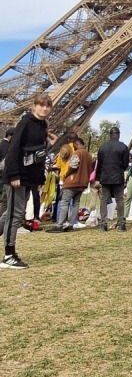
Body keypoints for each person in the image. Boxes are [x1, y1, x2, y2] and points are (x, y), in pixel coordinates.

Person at [0, 94, 54, 268]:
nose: (44, 108)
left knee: (11, 213)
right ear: (34, 106)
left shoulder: (42, 125)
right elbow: (13, 149)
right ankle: (9, 255)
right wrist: (14, 175)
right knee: (15, 214)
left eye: (47, 106)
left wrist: (40, 178)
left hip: (29, 177)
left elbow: (40, 154)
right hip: (17, 175)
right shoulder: (25, 123)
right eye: (41, 105)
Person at [51, 136, 93, 231]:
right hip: (83, 183)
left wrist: (67, 174)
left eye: (74, 146)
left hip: (72, 182)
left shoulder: (78, 153)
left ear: (77, 144)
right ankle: (71, 224)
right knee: (76, 204)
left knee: (64, 202)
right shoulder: (89, 155)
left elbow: (73, 165)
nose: (73, 148)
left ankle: (59, 225)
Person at [96, 126, 130, 231]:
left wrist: (99, 176)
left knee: (104, 200)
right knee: (119, 200)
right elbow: (125, 164)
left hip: (105, 177)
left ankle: (103, 224)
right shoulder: (123, 147)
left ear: (110, 135)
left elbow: (99, 164)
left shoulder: (102, 147)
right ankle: (121, 224)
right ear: (118, 135)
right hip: (117, 177)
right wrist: (119, 170)